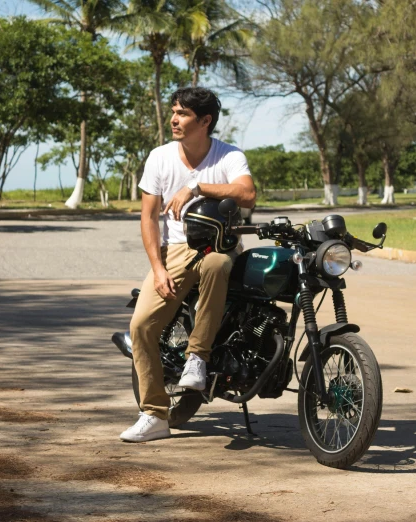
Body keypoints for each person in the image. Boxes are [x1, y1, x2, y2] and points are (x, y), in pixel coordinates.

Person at [120, 87, 256, 443]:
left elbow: (247, 194)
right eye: (174, 112)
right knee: (142, 327)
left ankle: (198, 357)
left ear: (205, 121)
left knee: (216, 266)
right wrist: (159, 267)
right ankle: (153, 414)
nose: (174, 119)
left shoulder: (228, 155)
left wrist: (197, 186)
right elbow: (148, 218)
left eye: (182, 114)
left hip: (220, 246)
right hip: (175, 251)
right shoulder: (159, 158)